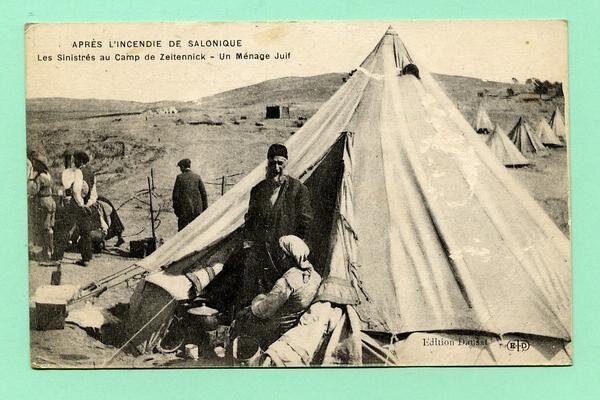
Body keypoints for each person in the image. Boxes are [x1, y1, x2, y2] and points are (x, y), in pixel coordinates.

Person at [240, 143, 313, 306]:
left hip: (285, 256)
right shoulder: (258, 190)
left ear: (287, 164)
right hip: (261, 253)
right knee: (258, 296)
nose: (276, 167)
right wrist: (249, 246)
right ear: (267, 164)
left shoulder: (298, 190)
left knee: (281, 296)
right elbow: (250, 220)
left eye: (280, 163)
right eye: (272, 163)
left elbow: (305, 222)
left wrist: (294, 249)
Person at [230, 235, 321, 350]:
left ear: (284, 256)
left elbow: (263, 311)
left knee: (241, 319)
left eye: (280, 253)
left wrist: (253, 304)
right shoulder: (316, 276)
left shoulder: (288, 281)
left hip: (277, 330)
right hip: (297, 325)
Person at [28, 152, 56, 261]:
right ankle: (49, 250)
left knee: (45, 227)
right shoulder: (48, 176)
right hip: (51, 201)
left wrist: (31, 179)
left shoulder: (39, 177)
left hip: (43, 202)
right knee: (50, 227)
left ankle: (47, 251)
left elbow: (33, 190)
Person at [72, 150, 97, 266]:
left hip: (78, 206)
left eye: (75, 159)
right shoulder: (91, 172)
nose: (74, 162)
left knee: (64, 228)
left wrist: (81, 205)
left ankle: (56, 257)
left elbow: (76, 190)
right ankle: (86, 258)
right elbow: (94, 192)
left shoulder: (79, 172)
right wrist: (89, 204)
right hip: (88, 205)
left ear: (80, 160)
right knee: (86, 232)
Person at [172, 158, 208, 231]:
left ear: (182, 167)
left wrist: (178, 212)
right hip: (197, 213)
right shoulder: (197, 177)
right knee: (196, 233)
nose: (180, 170)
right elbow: (204, 195)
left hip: (184, 214)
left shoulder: (179, 177)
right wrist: (204, 211)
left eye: (180, 168)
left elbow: (175, 197)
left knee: (182, 236)